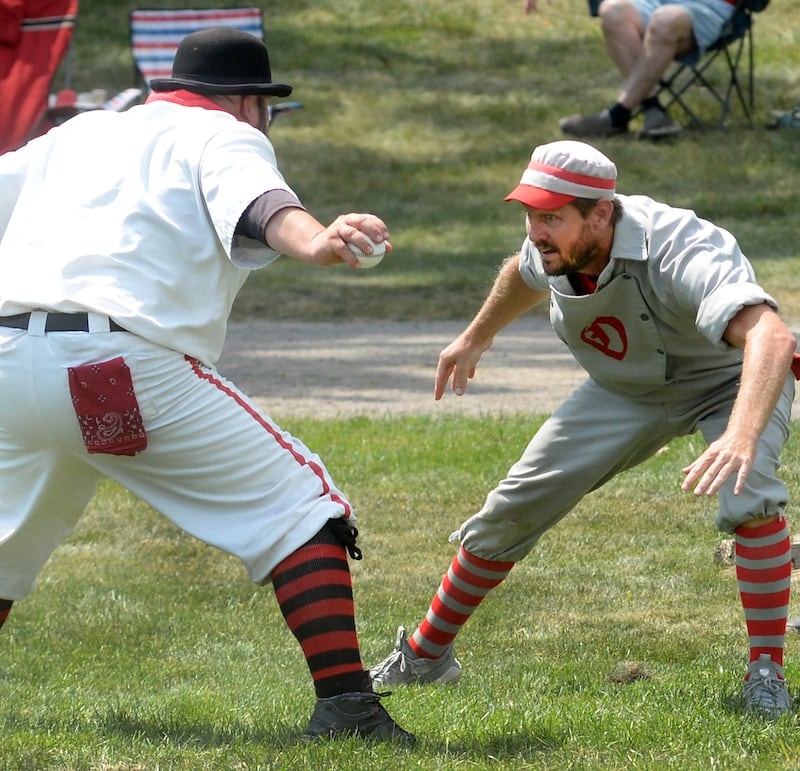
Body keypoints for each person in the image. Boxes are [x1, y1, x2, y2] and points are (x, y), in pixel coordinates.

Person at [0, 27, 413, 743]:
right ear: (248, 102)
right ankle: (349, 708)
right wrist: (316, 239)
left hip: (7, 366)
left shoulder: (80, 133)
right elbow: (261, 207)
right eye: (271, 108)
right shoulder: (225, 135)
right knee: (302, 506)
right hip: (109, 374)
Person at [370, 139, 798, 719]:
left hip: (728, 380)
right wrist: (476, 336)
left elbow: (772, 337)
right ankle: (426, 656)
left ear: (601, 212)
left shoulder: (680, 246)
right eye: (530, 214)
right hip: (625, 389)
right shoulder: (551, 248)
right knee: (514, 504)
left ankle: (765, 673)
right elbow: (521, 275)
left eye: (551, 216)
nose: (536, 229)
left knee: (750, 496)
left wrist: (742, 434)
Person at [524, 0, 737, 138]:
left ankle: (618, 115)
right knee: (613, 11)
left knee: (665, 19)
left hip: (710, 5)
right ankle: (652, 109)